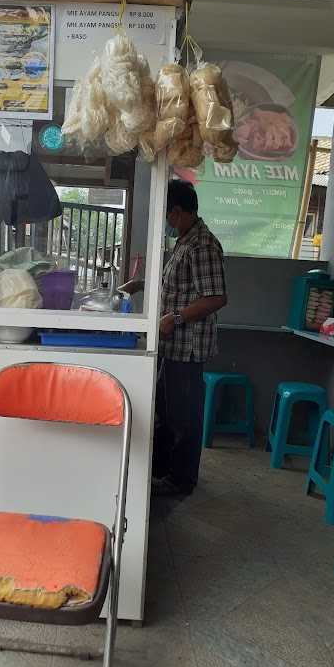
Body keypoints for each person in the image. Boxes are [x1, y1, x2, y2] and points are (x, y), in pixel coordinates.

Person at [121, 180, 227, 496]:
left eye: (167, 216)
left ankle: (182, 480)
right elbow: (176, 286)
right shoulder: (184, 241)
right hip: (171, 344)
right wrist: (140, 285)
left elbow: (216, 297)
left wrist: (176, 318)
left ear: (178, 212)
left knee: (184, 416)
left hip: (188, 346)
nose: (166, 223)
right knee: (167, 411)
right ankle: (164, 471)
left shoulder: (203, 245)